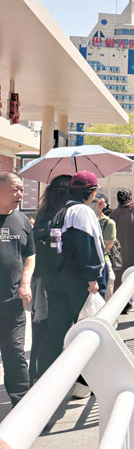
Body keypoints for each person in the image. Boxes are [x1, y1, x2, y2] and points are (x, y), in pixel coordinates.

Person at [36, 171, 105, 388]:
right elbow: (87, 245)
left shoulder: (61, 212)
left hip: (56, 279)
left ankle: (46, 379)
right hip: (78, 281)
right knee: (87, 333)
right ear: (92, 192)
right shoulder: (82, 212)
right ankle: (86, 382)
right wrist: (93, 276)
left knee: (56, 330)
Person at [29, 174, 71, 384]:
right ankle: (42, 378)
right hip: (52, 282)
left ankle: (34, 376)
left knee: (40, 330)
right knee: (50, 331)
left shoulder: (44, 213)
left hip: (39, 278)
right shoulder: (60, 217)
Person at [0, 171, 35, 407]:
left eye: (21, 189)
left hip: (12, 303)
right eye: (14, 189)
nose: (20, 193)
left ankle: (22, 407)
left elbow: (30, 255)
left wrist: (25, 283)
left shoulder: (22, 220)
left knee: (15, 355)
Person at [91, 192, 116, 298]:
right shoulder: (85, 219)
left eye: (95, 202)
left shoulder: (108, 223)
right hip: (87, 262)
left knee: (106, 294)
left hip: (102, 261)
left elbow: (107, 246)